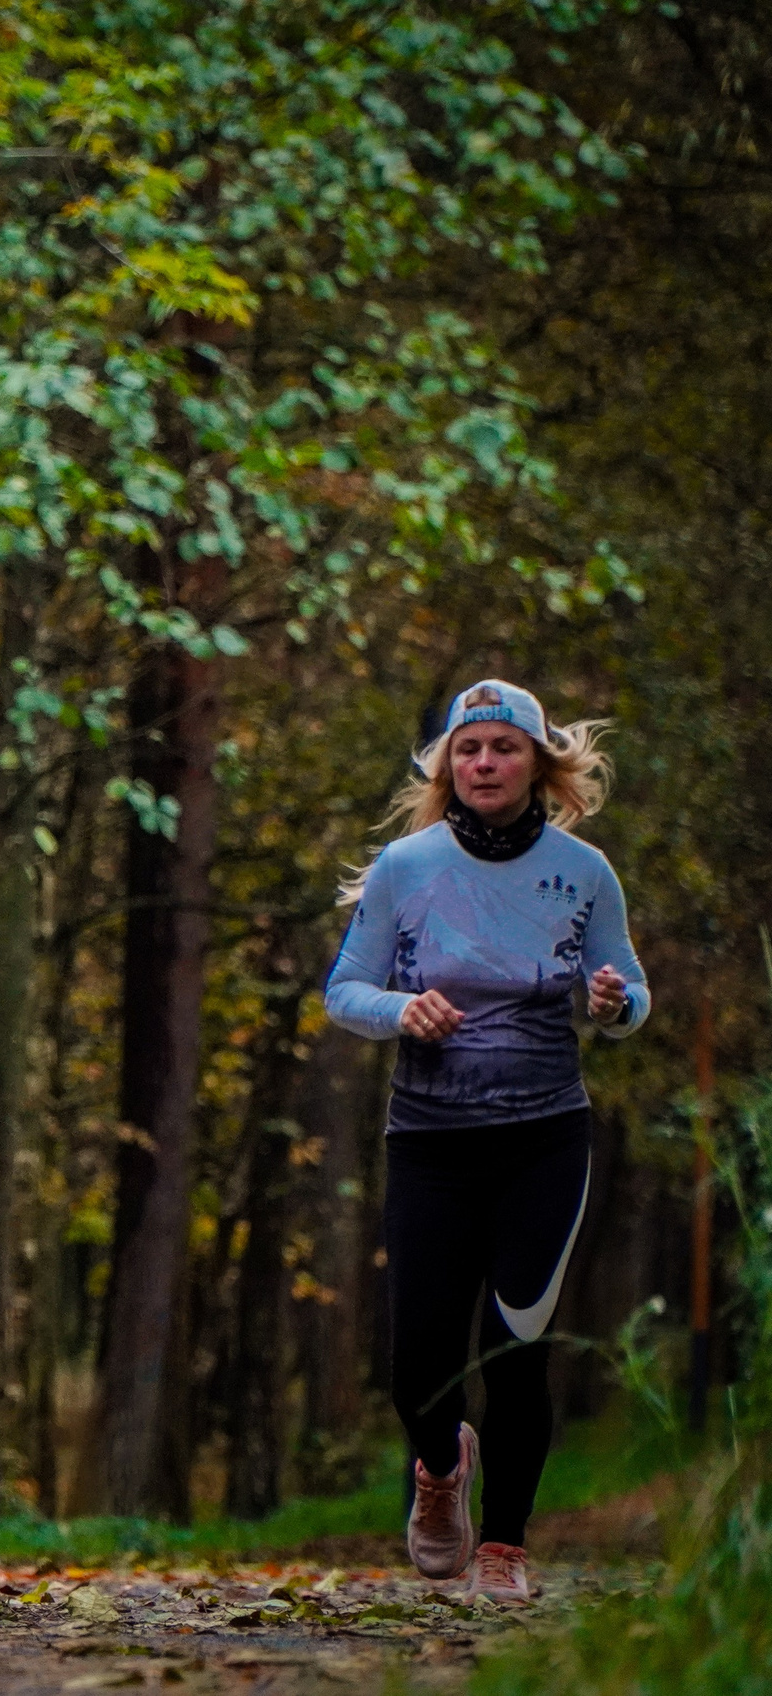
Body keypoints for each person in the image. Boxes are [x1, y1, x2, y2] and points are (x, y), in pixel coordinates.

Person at [325, 679, 649, 1604]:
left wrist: (616, 1002)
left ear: (539, 763)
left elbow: (627, 992)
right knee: (419, 1362)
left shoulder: (585, 872)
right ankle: (439, 1467)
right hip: (429, 1140)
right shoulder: (405, 866)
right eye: (468, 751)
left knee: (517, 1347)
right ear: (447, 767)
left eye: (504, 748)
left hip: (544, 1137)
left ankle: (504, 1547)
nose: (484, 764)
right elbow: (344, 989)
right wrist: (400, 1007)